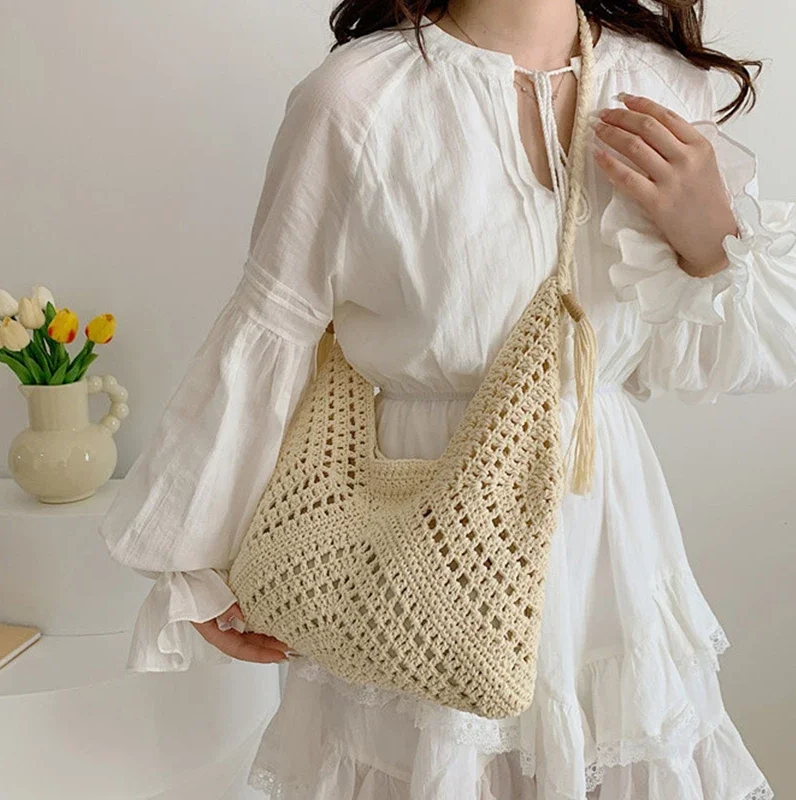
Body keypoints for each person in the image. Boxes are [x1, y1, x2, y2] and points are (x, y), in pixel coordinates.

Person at [99, 1, 795, 797]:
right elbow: (273, 332)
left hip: (603, 539)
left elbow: (701, 363)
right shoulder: (358, 98)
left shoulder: (664, 84)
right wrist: (194, 558)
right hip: (418, 534)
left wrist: (711, 239)